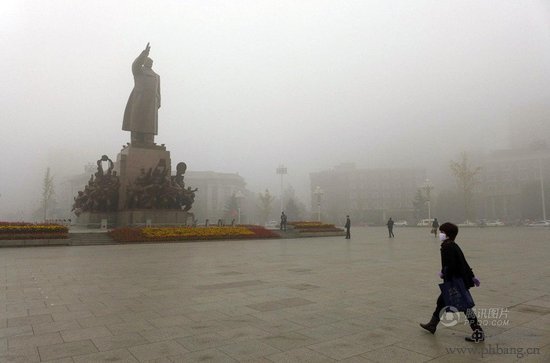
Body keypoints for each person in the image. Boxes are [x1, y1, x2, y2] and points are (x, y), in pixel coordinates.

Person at [420, 222, 484, 342]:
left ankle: (478, 332)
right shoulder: (453, 245)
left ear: (448, 234)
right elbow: (463, 262)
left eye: (442, 232)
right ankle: (432, 325)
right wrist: (471, 277)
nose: (440, 234)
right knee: (441, 302)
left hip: (454, 282)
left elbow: (452, 266)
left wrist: (445, 273)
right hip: (457, 280)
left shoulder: (448, 247)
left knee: (465, 307)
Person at [123, 43, 161, 145]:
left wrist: (158, 101)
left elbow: (158, 91)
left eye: (151, 62)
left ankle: (149, 139)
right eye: (148, 61)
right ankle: (135, 138)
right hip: (139, 100)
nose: (150, 63)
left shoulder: (157, 76)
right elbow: (135, 64)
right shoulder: (139, 71)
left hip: (151, 104)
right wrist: (144, 54)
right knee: (137, 121)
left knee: (149, 123)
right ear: (144, 62)